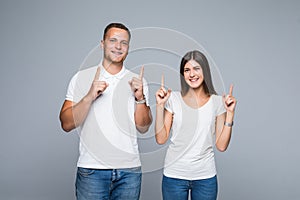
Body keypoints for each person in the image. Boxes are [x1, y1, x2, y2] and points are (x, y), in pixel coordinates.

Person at [59, 22, 152, 200]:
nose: (118, 46)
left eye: (124, 43)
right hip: (92, 171)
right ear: (102, 44)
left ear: (128, 48)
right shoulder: (81, 78)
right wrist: (89, 97)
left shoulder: (137, 81)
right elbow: (66, 123)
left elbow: (143, 127)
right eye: (113, 40)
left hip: (129, 172)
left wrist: (140, 98)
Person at [155, 50, 237, 200]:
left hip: (205, 178)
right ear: (182, 74)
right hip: (174, 176)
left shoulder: (218, 102)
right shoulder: (172, 99)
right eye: (187, 70)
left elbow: (221, 146)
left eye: (196, 68)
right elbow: (161, 139)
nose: (191, 74)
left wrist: (230, 113)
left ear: (205, 71)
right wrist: (160, 106)